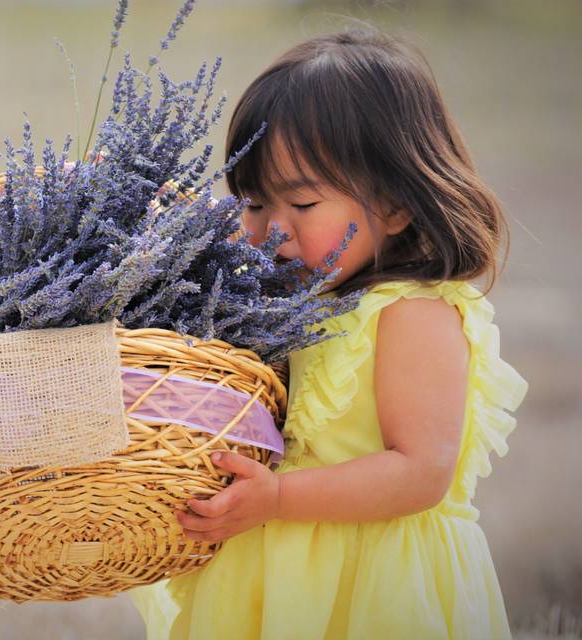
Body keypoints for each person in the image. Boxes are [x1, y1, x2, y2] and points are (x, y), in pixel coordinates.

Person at [129, 27, 528, 639]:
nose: (274, 230)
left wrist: (279, 501)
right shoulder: (278, 310)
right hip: (268, 576)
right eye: (255, 203)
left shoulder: (410, 314)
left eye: (303, 205)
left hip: (374, 589)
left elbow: (421, 472)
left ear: (395, 204)